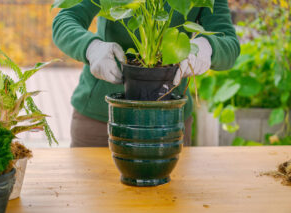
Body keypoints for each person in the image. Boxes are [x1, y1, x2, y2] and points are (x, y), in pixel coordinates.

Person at [52, 0, 240, 147]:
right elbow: (65, 20)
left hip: (170, 121)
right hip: (101, 119)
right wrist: (91, 47)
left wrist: (208, 47)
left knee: (169, 195)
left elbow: (228, 41)